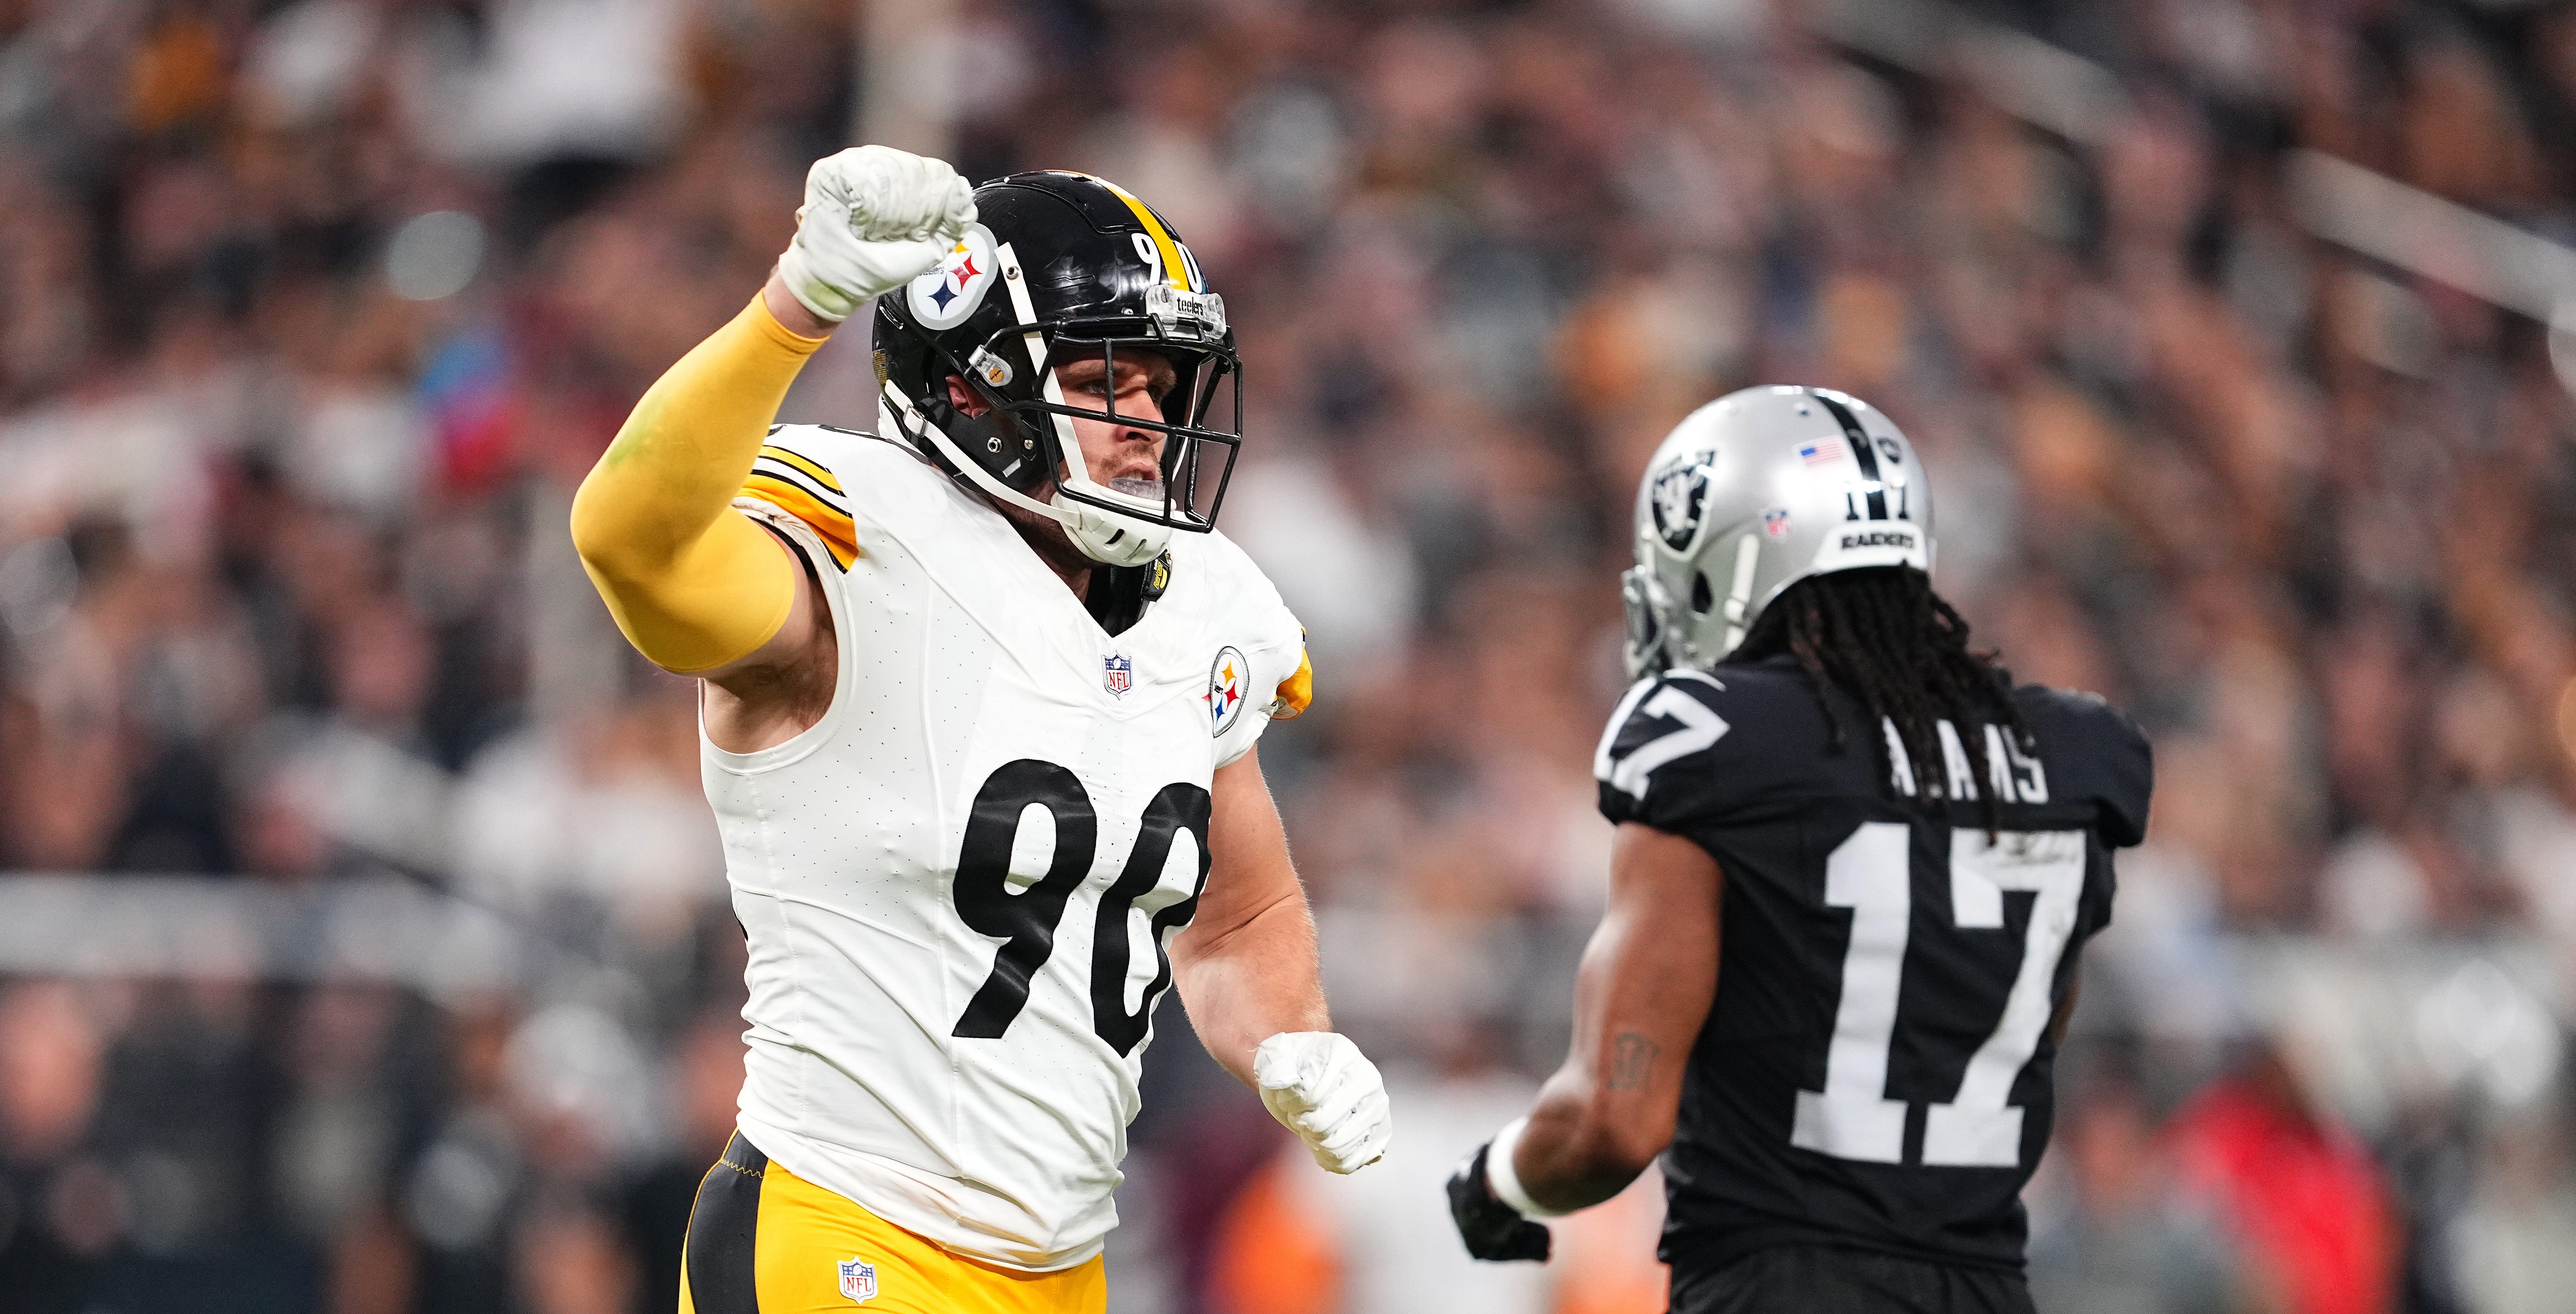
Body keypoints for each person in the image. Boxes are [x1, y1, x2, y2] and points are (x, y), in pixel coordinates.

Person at [570, 145, 1392, 1313]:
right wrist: (791, 309)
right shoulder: (861, 549)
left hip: (1062, 1269)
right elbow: (629, 543)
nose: (1151, 420)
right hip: (843, 1226)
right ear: (975, 385)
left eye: (1164, 385)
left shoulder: (1205, 605)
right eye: (1109, 378)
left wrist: (1290, 1038)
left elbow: (1236, 916)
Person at [1446, 386, 2152, 1313]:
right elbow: (2023, 1032)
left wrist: (1499, 1184)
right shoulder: (2068, 756)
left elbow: (1614, 1120)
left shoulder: (1716, 742)